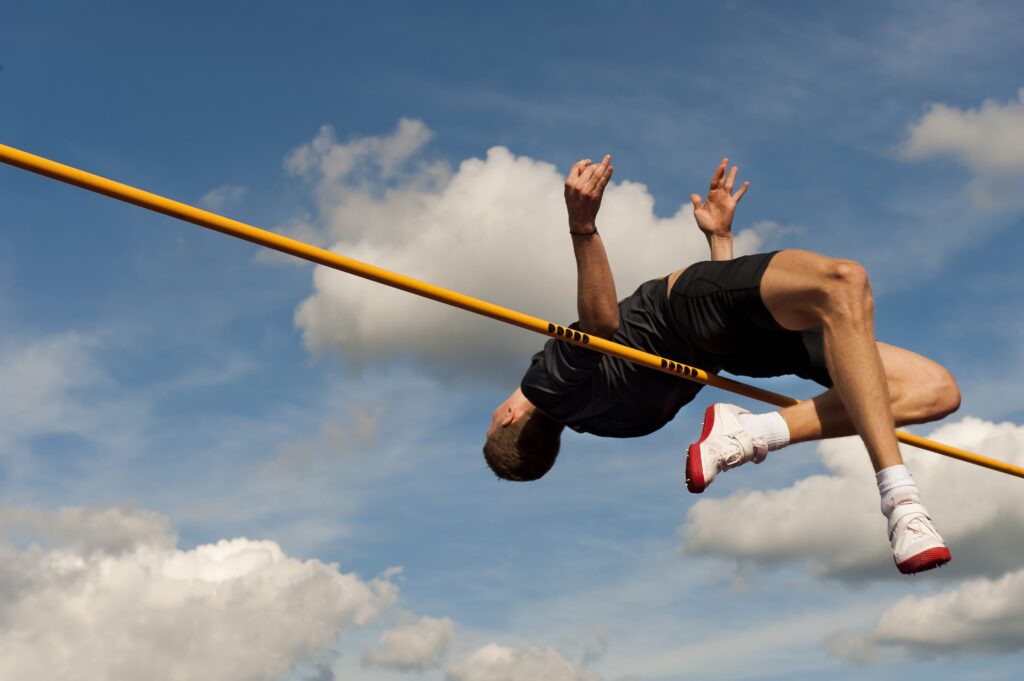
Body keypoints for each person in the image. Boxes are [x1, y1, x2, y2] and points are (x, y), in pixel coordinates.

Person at [483, 154, 961, 575]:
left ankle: (755, 433)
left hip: (729, 344)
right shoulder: (546, 387)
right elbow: (604, 325)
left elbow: (710, 343)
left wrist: (720, 243)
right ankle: (900, 500)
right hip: (691, 311)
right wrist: (583, 226)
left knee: (935, 389)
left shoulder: (620, 424)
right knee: (844, 280)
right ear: (507, 416)